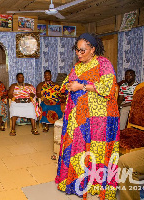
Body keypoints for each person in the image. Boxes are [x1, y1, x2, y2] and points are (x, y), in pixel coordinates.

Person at [55, 33, 119, 200]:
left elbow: (107, 88)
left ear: (93, 49)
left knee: (97, 150)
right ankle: (77, 182)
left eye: (83, 50)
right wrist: (68, 85)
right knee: (77, 148)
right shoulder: (77, 66)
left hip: (99, 116)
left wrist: (82, 86)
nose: (79, 54)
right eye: (77, 50)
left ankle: (96, 183)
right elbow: (68, 83)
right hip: (79, 116)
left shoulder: (103, 64)